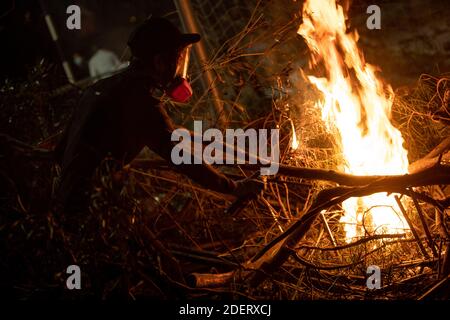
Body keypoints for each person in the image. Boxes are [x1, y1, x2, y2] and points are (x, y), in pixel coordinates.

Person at [54, 17, 257, 213]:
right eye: (178, 58)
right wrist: (235, 187)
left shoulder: (101, 88)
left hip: (65, 207)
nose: (180, 68)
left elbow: (60, 151)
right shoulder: (142, 103)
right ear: (160, 62)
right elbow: (183, 159)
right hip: (88, 212)